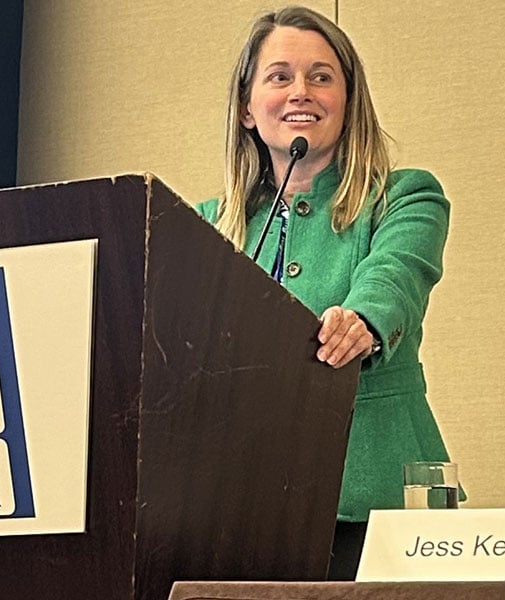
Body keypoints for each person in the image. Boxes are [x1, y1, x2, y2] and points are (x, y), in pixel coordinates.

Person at [196, 6, 461, 579]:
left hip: (380, 504)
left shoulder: (405, 196)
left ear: (348, 100)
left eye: (322, 76)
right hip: (241, 510)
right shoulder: (206, 226)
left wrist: (361, 319)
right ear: (246, 107)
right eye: (280, 76)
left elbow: (397, 273)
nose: (302, 92)